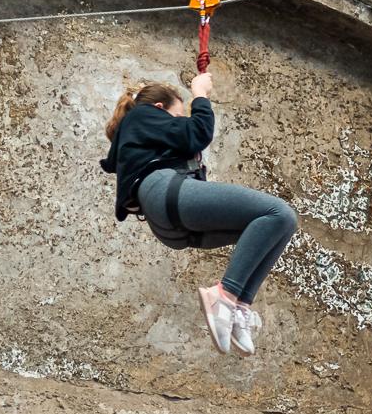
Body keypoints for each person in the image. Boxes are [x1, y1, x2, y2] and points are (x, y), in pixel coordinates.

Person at [100, 71, 297, 355]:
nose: (181, 121)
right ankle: (223, 296)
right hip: (166, 193)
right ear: (160, 109)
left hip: (172, 223)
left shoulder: (145, 136)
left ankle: (239, 305)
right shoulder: (142, 115)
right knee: (276, 211)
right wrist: (200, 94)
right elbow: (198, 134)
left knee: (281, 224)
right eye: (179, 115)